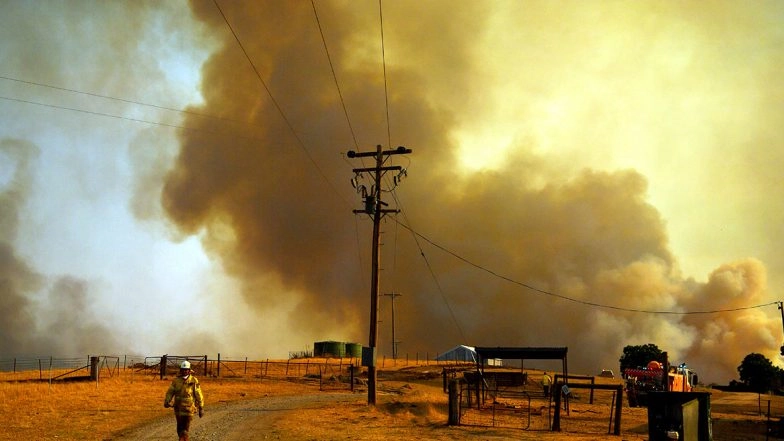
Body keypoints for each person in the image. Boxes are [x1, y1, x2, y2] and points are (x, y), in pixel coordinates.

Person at [164, 360, 204, 441]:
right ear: (181, 370)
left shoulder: (194, 380)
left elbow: (198, 394)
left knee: (185, 430)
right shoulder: (176, 381)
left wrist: (201, 408)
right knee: (179, 428)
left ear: (189, 371)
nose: (185, 371)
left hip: (189, 409)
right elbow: (170, 392)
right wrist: (167, 401)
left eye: (186, 370)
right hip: (178, 409)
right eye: (183, 370)